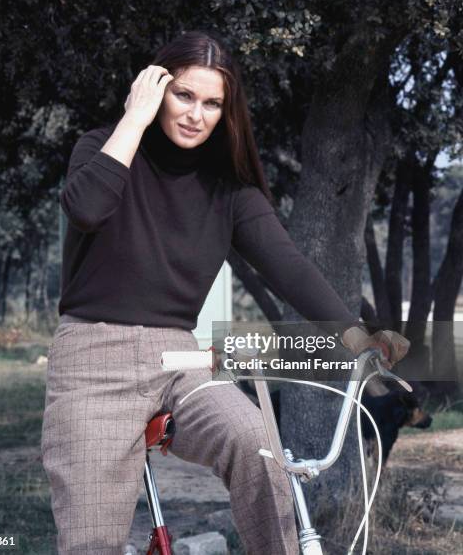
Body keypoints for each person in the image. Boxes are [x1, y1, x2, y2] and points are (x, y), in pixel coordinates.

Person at [41, 30, 409, 554]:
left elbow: (290, 267)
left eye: (213, 103)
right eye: (183, 95)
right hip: (92, 359)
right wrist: (134, 117)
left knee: (258, 444)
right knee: (92, 540)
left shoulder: (229, 190)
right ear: (155, 88)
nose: (196, 114)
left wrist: (357, 333)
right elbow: (87, 209)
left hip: (181, 357)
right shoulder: (102, 148)